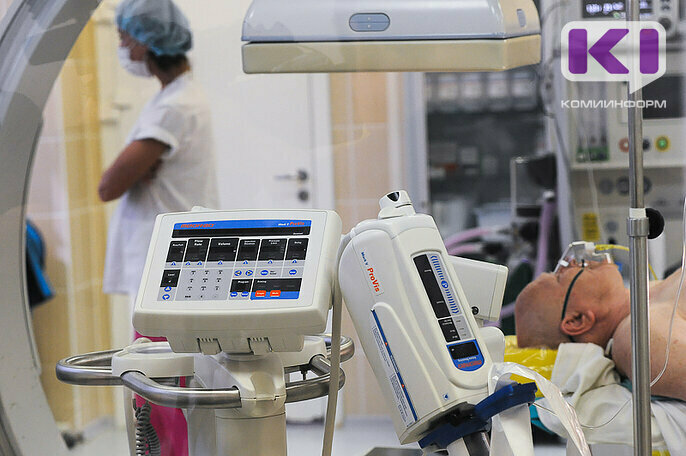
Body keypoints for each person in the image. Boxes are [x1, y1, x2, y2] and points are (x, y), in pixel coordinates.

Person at [99, 1, 218, 454]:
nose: (121, 48)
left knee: (161, 391)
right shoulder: (174, 97)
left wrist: (135, 169)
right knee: (163, 390)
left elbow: (109, 185)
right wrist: (138, 168)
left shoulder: (174, 107)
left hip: (167, 274)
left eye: (123, 37)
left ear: (147, 42)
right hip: (169, 269)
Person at [515, 260, 686, 402]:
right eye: (560, 276)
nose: (571, 262)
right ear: (577, 320)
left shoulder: (647, 301)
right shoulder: (639, 338)